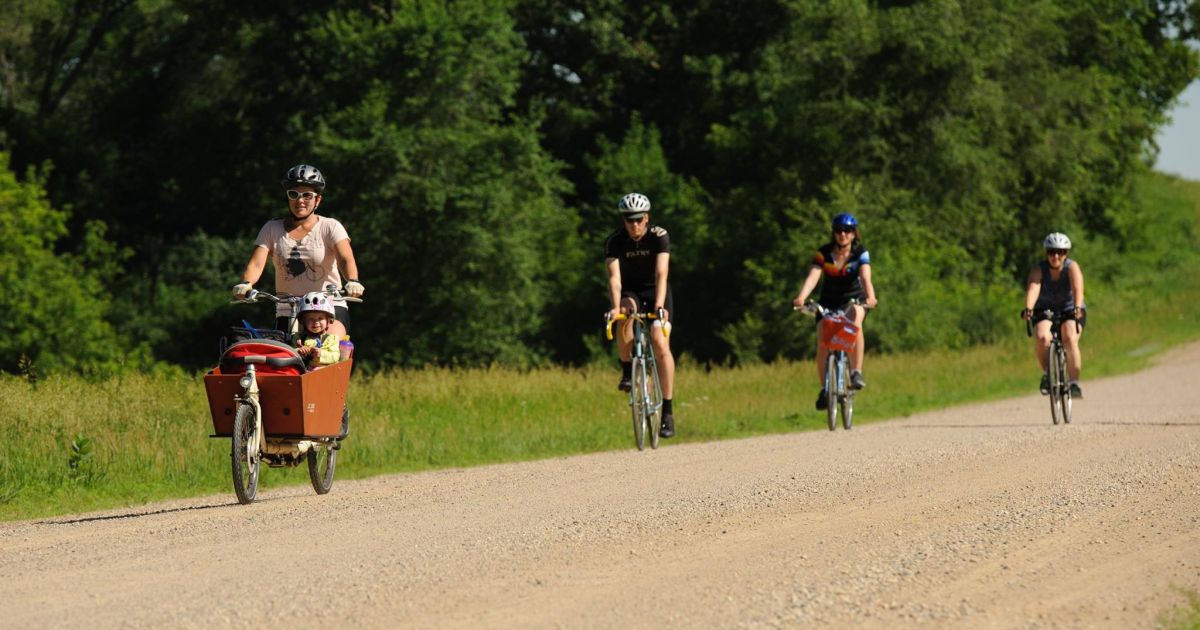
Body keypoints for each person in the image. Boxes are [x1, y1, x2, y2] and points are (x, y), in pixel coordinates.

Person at [232, 164, 364, 334]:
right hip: (288, 309)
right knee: (282, 356)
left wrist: (353, 280)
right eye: (293, 194)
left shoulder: (330, 227)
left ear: (318, 200)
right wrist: (246, 283)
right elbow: (256, 264)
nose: (300, 200)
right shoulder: (272, 228)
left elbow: (345, 258)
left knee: (326, 349)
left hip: (327, 307)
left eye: (307, 195)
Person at [604, 192, 677, 439]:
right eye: (628, 220)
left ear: (646, 218)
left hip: (657, 290)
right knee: (624, 315)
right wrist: (615, 308)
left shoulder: (659, 237)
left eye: (638, 219)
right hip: (631, 291)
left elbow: (661, 274)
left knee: (659, 342)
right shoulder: (614, 242)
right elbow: (614, 279)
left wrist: (658, 306)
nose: (634, 225)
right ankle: (627, 369)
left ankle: (667, 411)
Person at [791, 213, 878, 410]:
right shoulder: (824, 253)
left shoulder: (860, 253)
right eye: (838, 230)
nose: (842, 235)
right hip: (828, 303)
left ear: (854, 234)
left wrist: (870, 297)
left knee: (855, 323)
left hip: (853, 300)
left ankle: (856, 371)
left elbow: (865, 278)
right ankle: (825, 389)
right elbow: (813, 277)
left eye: (847, 231)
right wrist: (801, 297)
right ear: (833, 233)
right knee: (823, 343)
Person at [1021, 232, 1086, 398]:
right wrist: (1028, 308)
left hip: (1070, 308)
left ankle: (1074, 384)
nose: (1055, 256)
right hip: (1045, 309)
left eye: (1060, 252)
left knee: (1069, 337)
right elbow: (1033, 287)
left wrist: (1077, 307)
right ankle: (1048, 374)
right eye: (1051, 252)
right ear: (1046, 253)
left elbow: (1077, 288)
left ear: (1066, 254)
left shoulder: (1072, 267)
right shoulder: (1039, 269)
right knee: (1042, 337)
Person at [295, 292, 344, 368]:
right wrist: (299, 350)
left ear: (328, 321)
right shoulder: (298, 338)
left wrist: (320, 354)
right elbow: (289, 351)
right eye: (311, 319)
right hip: (303, 370)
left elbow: (335, 356)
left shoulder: (331, 339)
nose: (316, 322)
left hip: (322, 371)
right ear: (303, 321)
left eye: (320, 318)